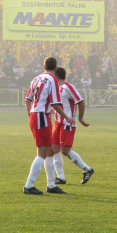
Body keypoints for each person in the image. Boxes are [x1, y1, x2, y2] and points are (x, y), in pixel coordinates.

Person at [24, 57, 75, 195]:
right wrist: (67, 117)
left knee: (49, 151)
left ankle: (51, 184)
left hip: (37, 116)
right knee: (42, 152)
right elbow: (55, 104)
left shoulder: (36, 78)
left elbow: (27, 100)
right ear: (56, 67)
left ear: (44, 66)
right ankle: (29, 185)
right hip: (42, 116)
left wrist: (31, 115)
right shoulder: (52, 79)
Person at [52, 67, 94, 185]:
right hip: (57, 122)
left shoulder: (68, 87)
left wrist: (80, 118)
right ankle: (61, 177)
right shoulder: (55, 88)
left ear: (56, 76)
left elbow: (81, 101)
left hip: (67, 123)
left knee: (65, 150)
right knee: (54, 149)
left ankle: (87, 169)